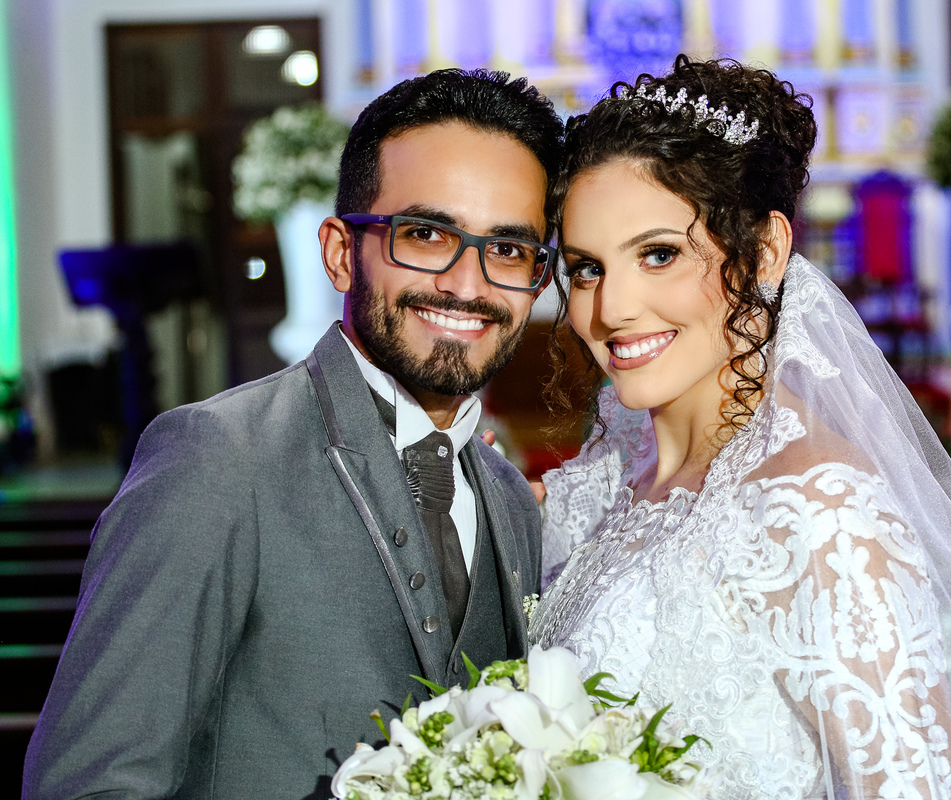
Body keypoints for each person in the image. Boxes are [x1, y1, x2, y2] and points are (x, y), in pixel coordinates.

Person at [531, 55, 951, 800]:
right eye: (586, 267)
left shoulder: (819, 511)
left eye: (659, 255)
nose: (611, 308)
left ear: (765, 252)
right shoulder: (601, 489)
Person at [23, 69, 559, 800]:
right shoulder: (217, 460)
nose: (468, 285)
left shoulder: (510, 498)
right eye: (426, 235)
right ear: (340, 252)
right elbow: (88, 786)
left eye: (508, 249)